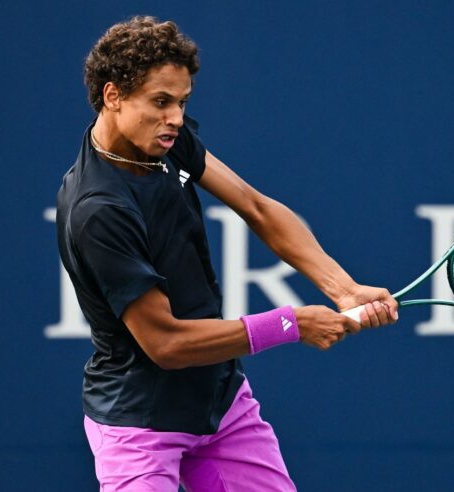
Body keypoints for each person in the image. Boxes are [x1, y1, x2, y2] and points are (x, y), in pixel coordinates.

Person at [56, 16, 398, 492]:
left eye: (181, 102)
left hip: (221, 404)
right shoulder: (99, 210)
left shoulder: (164, 141)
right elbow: (167, 345)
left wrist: (343, 288)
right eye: (160, 102)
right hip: (140, 426)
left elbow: (255, 207)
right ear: (113, 96)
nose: (175, 117)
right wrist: (292, 324)